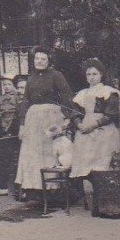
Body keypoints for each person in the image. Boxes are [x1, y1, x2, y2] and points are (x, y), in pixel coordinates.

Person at [14, 46, 74, 198]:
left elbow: (67, 96)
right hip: (33, 119)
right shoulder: (31, 78)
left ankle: (54, 190)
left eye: (43, 59)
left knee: (50, 152)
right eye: (37, 58)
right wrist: (22, 124)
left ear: (49, 61)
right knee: (33, 153)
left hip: (51, 117)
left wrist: (67, 118)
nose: (39, 61)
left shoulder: (56, 75)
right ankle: (35, 190)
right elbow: (26, 101)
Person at [70, 58, 120, 198]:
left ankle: (107, 194)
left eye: (94, 74)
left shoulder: (108, 91)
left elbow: (111, 114)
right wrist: (79, 124)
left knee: (102, 160)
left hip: (103, 129)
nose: (91, 77)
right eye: (89, 74)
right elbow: (75, 112)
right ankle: (92, 195)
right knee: (86, 161)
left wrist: (93, 125)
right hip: (85, 130)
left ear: (101, 75)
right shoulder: (82, 93)